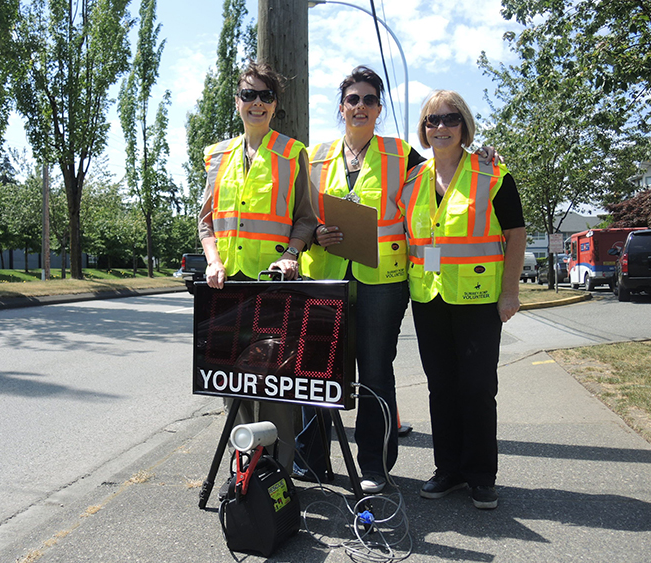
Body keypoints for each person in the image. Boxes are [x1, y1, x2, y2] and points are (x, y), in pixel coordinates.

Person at [292, 66, 427, 494]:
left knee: (374, 374)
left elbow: (448, 173)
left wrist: (484, 157)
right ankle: (312, 464)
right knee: (316, 373)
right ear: (341, 106)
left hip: (381, 282)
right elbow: (298, 216)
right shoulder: (314, 157)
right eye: (354, 99)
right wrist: (315, 233)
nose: (361, 107)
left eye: (370, 100)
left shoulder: (401, 154)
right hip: (324, 279)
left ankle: (375, 466)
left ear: (379, 108)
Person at [401, 90, 526, 509]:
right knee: (441, 388)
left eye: (450, 119)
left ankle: (480, 475)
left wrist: (510, 291)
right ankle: (448, 469)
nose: (441, 127)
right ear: (423, 128)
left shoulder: (492, 173)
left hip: (478, 298)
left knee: (476, 387)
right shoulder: (413, 179)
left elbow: (515, 234)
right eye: (432, 120)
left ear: (464, 125)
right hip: (428, 297)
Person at [198, 61, 317, 473]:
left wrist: (290, 254)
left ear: (275, 105)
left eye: (266, 96)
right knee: (234, 382)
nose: (257, 103)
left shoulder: (292, 153)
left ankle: (279, 471)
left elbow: (306, 217)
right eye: (249, 95)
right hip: (228, 286)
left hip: (273, 286)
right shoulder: (217, 155)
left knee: (275, 382)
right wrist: (214, 260)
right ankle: (244, 463)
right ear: (237, 102)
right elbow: (206, 220)